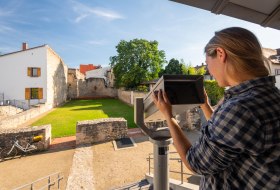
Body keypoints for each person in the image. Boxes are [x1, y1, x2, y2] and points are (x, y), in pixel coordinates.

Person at [152, 27, 280, 190]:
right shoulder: (270, 95)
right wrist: (205, 104)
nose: (209, 70)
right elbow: (230, 135)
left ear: (220, 54)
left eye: (207, 63)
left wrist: (168, 116)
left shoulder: (240, 108)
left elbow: (195, 163)